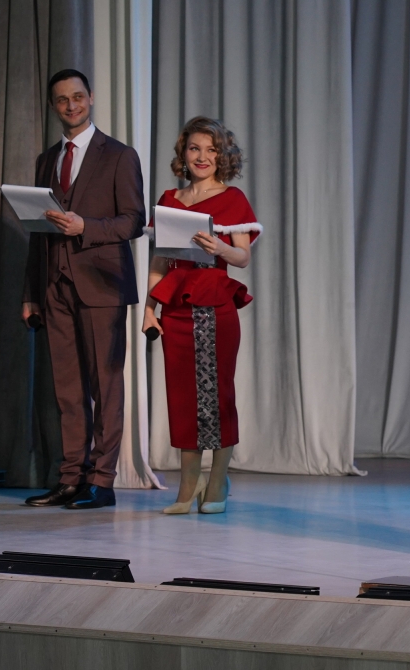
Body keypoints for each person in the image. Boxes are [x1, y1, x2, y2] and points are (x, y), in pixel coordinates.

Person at [21, 69, 146, 510]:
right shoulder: (46, 160)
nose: (71, 105)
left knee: (105, 387)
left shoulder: (120, 155)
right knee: (67, 388)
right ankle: (71, 477)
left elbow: (133, 221)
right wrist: (31, 292)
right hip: (54, 286)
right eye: (62, 100)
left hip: (101, 285)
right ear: (53, 106)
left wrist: (85, 227)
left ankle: (102, 481)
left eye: (77, 97)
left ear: (90, 98)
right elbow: (37, 230)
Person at [143, 117, 261, 515]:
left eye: (211, 150)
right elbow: (159, 260)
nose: (202, 157)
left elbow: (242, 257)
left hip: (215, 302)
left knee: (218, 396)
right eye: (195, 148)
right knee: (182, 398)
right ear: (184, 152)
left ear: (222, 156)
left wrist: (219, 248)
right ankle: (187, 486)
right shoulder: (169, 199)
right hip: (176, 307)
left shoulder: (233, 198)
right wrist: (149, 309)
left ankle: (217, 482)